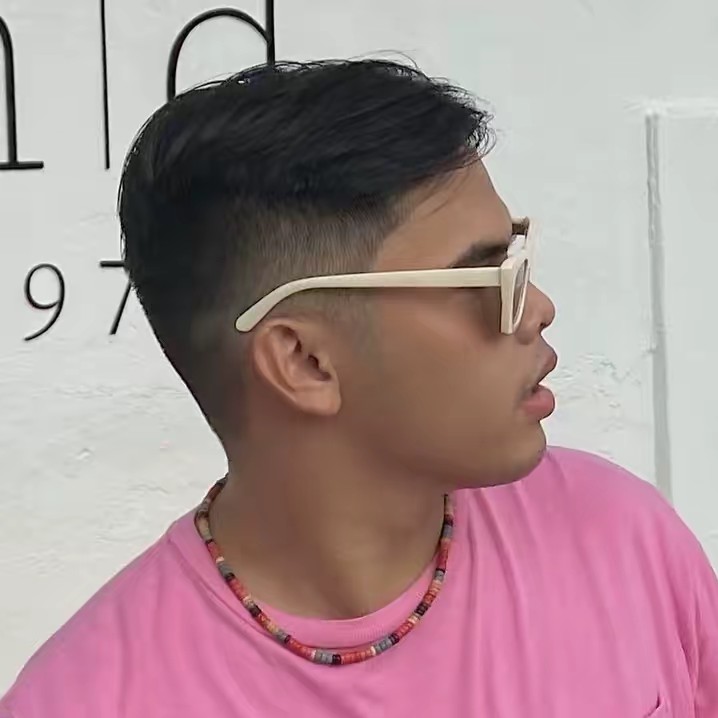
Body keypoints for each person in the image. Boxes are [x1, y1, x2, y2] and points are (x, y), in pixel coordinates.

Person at [1, 59, 716, 718]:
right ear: (305, 361)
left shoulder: (622, 543)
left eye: (518, 257)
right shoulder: (86, 699)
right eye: (488, 277)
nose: (537, 310)